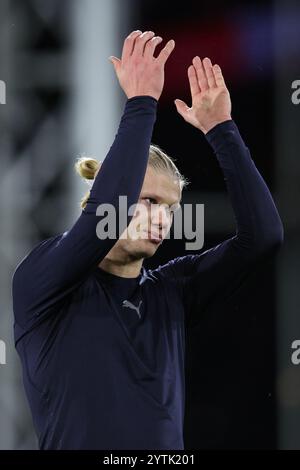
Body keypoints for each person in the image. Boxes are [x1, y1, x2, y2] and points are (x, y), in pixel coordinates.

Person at [12, 29, 283, 450]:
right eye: (150, 201)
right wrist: (140, 102)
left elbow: (263, 236)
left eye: (171, 208)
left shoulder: (172, 291)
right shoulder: (46, 282)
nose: (163, 219)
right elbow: (112, 200)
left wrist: (221, 129)